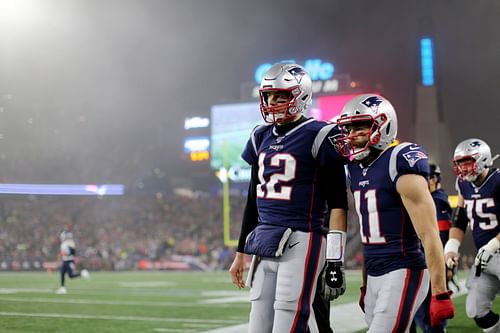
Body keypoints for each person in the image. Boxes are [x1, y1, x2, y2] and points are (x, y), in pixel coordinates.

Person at [228, 63, 348, 333]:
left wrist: (335, 259)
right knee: (258, 326)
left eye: (281, 96)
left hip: (302, 238)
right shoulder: (259, 136)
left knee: (289, 321)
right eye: (269, 96)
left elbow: (339, 204)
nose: (273, 102)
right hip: (264, 240)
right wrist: (240, 253)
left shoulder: (321, 134)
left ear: (300, 96)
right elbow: (252, 198)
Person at [332, 94, 454, 332]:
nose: (352, 134)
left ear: (383, 124)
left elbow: (429, 233)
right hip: (375, 273)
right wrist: (367, 285)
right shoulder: (355, 169)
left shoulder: (399, 160)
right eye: (348, 128)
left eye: (360, 126)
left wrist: (440, 293)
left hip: (403, 268)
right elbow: (370, 237)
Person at [444, 138, 500, 333]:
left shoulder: (498, 181)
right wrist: (451, 249)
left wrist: (492, 245)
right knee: (476, 309)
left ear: (482, 159)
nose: (462, 168)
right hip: (484, 256)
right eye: (459, 163)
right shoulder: (463, 184)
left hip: (495, 251)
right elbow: (459, 219)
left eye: (467, 162)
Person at [411, 163, 453, 333]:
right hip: (426, 261)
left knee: (427, 314)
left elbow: (441, 237)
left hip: (430, 263)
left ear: (434, 179)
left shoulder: (436, 200)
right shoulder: (436, 197)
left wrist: (444, 266)